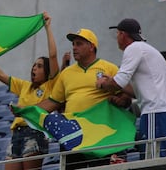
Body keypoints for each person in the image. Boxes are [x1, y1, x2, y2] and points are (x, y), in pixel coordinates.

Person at [36, 28, 132, 169]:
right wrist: (28, 110)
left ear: (92, 46)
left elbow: (127, 95)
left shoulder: (109, 68)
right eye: (73, 44)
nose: (74, 48)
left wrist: (121, 100)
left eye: (79, 44)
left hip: (101, 135)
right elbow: (53, 102)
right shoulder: (66, 74)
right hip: (74, 134)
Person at [0, 11, 60, 170]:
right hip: (16, 134)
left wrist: (48, 28)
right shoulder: (24, 86)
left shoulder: (50, 85)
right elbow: (0, 75)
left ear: (47, 71)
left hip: (35, 133)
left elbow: (53, 56)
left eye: (39, 66)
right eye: (34, 65)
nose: (34, 68)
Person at [96, 18, 166, 158]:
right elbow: (136, 92)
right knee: (165, 160)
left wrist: (103, 83)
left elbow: (117, 83)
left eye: (117, 34)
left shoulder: (133, 48)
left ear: (123, 35)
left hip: (155, 113)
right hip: (164, 112)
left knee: (153, 161)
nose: (117, 38)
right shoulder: (147, 49)